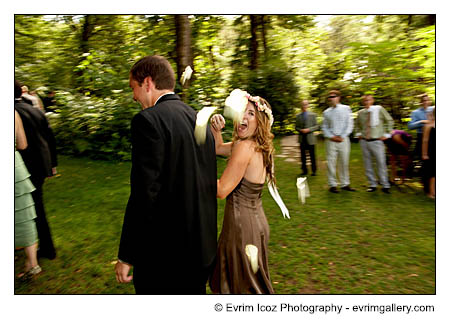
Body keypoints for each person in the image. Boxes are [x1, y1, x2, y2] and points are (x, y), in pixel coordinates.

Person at [115, 55, 217, 294]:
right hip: (202, 249)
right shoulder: (198, 119)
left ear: (148, 83)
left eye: (134, 88)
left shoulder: (147, 121)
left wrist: (127, 254)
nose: (134, 97)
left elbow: (144, 194)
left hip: (165, 257)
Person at [208, 92, 275, 294]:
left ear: (260, 121)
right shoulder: (259, 146)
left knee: (242, 289)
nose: (243, 117)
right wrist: (215, 129)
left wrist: (193, 172)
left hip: (241, 226)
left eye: (251, 113)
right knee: (248, 285)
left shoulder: (245, 147)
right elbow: (218, 148)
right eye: (241, 112)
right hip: (256, 224)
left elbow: (220, 190)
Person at [15, 80, 58, 260]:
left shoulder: (14, 111)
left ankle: (45, 248)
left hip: (25, 167)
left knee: (31, 209)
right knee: (36, 207)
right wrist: (53, 164)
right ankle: (43, 247)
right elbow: (50, 137)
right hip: (41, 165)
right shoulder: (34, 109)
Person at [15, 110, 42, 279]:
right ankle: (32, 263)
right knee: (24, 216)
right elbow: (22, 144)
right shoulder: (13, 113)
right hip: (15, 167)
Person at [354, 95, 394, 193]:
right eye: (364, 100)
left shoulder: (379, 109)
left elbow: (389, 120)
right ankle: (372, 184)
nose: (366, 102)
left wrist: (387, 134)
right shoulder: (360, 113)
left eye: (368, 100)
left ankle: (385, 185)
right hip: (364, 141)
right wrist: (358, 134)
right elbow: (356, 125)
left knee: (381, 163)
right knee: (368, 164)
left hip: (377, 141)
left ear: (372, 100)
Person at [321, 90, 355, 193]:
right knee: (331, 162)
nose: (332, 98)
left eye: (333, 96)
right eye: (330, 97)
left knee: (344, 162)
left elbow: (350, 124)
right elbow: (324, 126)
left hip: (343, 140)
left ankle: (345, 184)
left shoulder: (346, 109)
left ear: (338, 97)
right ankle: (333, 184)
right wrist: (331, 136)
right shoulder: (326, 112)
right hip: (331, 141)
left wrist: (343, 136)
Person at [407, 94, 434, 190]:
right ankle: (425, 184)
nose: (426, 102)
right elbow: (410, 126)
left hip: (433, 137)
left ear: (430, 101)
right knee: (424, 161)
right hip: (421, 137)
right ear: (421, 102)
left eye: (427, 100)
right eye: (424, 100)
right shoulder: (415, 112)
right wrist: (421, 121)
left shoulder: (434, 109)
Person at [295, 99, 319, 176]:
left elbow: (317, 126)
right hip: (302, 139)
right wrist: (300, 130)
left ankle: (314, 171)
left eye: (305, 104)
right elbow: (296, 127)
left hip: (311, 139)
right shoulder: (298, 116)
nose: (304, 106)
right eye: (302, 104)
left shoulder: (313, 115)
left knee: (312, 156)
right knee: (303, 156)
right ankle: (304, 171)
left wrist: (309, 129)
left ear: (308, 105)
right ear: (301, 106)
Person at [422, 107, 436, 199]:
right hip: (431, 151)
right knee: (432, 173)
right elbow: (425, 140)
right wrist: (424, 154)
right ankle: (431, 193)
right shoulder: (429, 125)